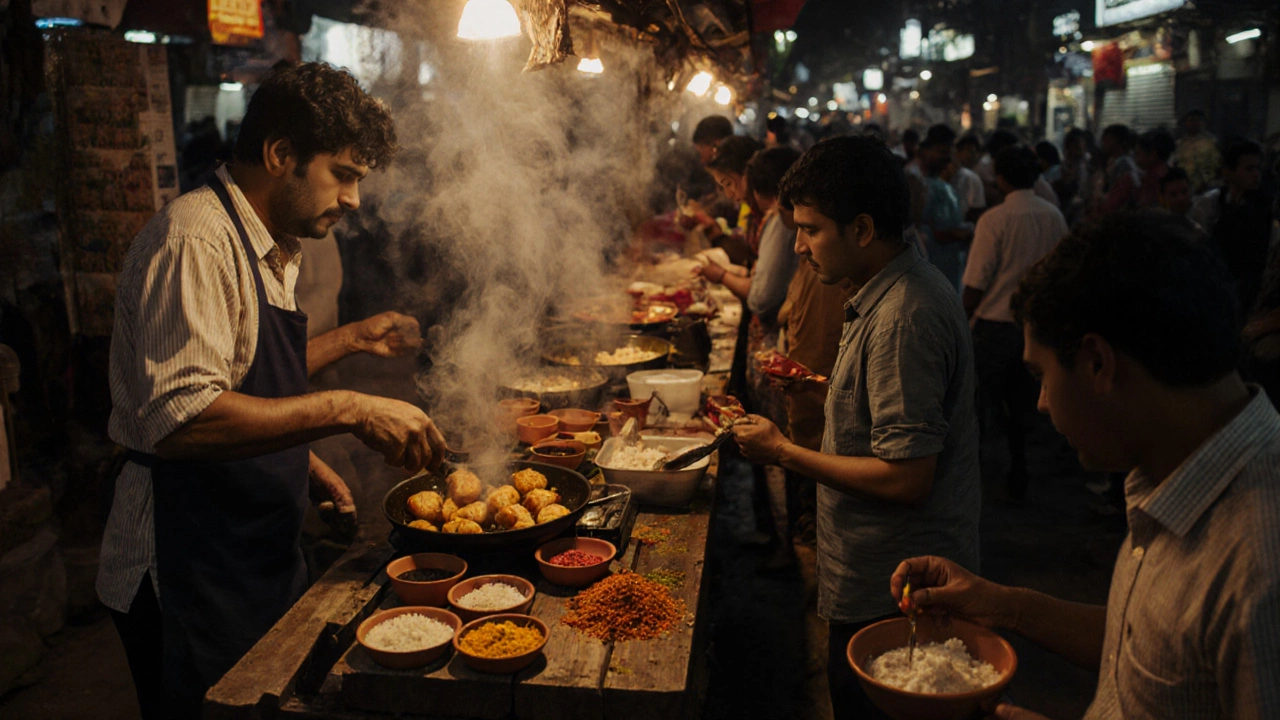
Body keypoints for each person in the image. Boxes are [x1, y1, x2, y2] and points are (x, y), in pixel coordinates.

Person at [100, 62, 448, 718]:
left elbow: (241, 375)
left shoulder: (272, 244)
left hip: (251, 547)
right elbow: (182, 419)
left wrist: (304, 459)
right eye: (343, 175)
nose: (353, 199)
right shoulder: (196, 240)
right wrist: (347, 407)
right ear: (281, 154)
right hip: (188, 564)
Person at [893, 211, 1280, 720]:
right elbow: (1149, 646)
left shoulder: (1259, 563)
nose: (1042, 404)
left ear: (1097, 362)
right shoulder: (1172, 473)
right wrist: (999, 604)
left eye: (1042, 375)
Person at [733, 136, 981, 719]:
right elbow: (892, 413)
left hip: (896, 592)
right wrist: (823, 388)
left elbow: (907, 478)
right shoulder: (882, 291)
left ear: (864, 229)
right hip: (879, 579)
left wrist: (782, 452)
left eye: (811, 230)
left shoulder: (903, 317)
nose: (799, 247)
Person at [961, 145, 1068, 502]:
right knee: (1023, 406)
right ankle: (1019, 468)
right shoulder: (1053, 215)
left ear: (1000, 179)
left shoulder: (994, 220)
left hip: (994, 326)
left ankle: (972, 476)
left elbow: (976, 281)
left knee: (980, 404)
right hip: (1035, 326)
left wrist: (960, 318)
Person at [1191, 140, 1275, 317]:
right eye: (1249, 169)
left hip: (1250, 288)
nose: (1256, 175)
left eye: (1258, 168)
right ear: (1228, 172)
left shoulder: (1265, 207)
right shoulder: (1212, 201)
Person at [916, 134, 971, 289]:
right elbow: (938, 231)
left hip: (947, 261)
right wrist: (961, 233)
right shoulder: (937, 189)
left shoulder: (947, 188)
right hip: (940, 261)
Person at [1095, 124, 1141, 216]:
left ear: (1115, 140)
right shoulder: (1121, 162)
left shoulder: (1123, 164)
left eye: (1106, 139)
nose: (1103, 142)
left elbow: (1117, 200)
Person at [1173, 109, 1220, 195]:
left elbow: (1218, 165)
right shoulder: (1179, 144)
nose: (1196, 123)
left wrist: (1207, 183)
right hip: (1184, 188)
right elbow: (1175, 164)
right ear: (1185, 123)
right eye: (1192, 120)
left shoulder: (1212, 142)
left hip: (1208, 189)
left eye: (1199, 120)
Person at [1133, 129, 1174, 209]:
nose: (1135, 158)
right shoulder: (1166, 171)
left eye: (1138, 153)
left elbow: (1145, 207)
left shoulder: (1153, 177)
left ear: (1152, 154)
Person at [952, 134, 989, 223]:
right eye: (970, 151)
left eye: (977, 152)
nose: (974, 156)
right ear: (957, 152)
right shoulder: (970, 176)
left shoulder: (973, 175)